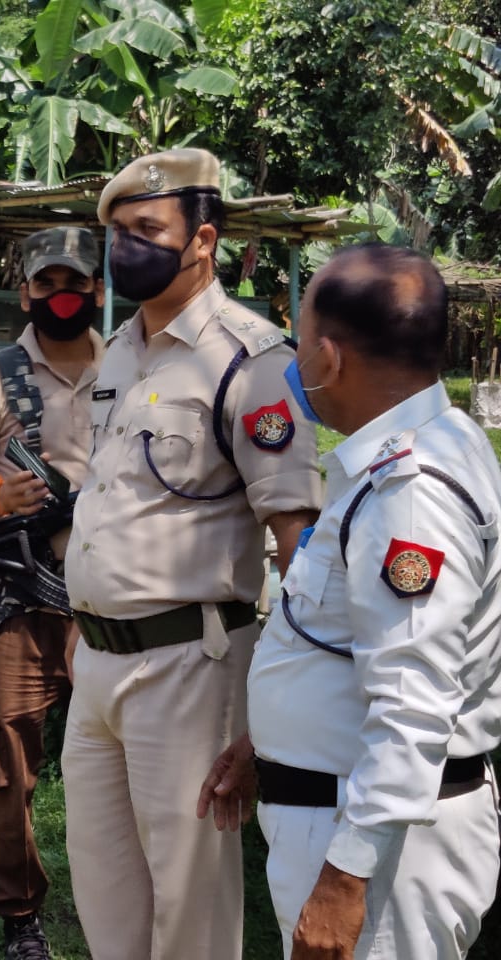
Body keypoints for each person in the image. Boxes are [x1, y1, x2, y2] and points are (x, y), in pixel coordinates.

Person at [200, 243, 501, 960]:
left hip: (379, 849)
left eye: (300, 344)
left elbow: (414, 704)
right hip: (348, 809)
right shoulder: (429, 444)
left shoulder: (412, 493)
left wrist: (344, 879)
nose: (298, 365)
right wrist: (270, 747)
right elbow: (353, 645)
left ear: (328, 358)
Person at [60, 147, 323, 960]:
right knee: (105, 894)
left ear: (202, 240)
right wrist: (83, 618)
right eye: (117, 233)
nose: (124, 249)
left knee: (190, 911)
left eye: (147, 228)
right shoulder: (120, 351)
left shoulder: (252, 361)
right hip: (98, 663)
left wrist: (274, 711)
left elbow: (298, 542)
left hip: (191, 664)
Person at [0, 226, 103, 960]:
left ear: (98, 288)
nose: (61, 297)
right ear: (27, 290)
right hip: (21, 597)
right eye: (47, 284)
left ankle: (123, 899)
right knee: (6, 759)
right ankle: (20, 919)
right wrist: (3, 498)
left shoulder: (133, 369)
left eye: (74, 283)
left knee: (128, 759)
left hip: (113, 603)